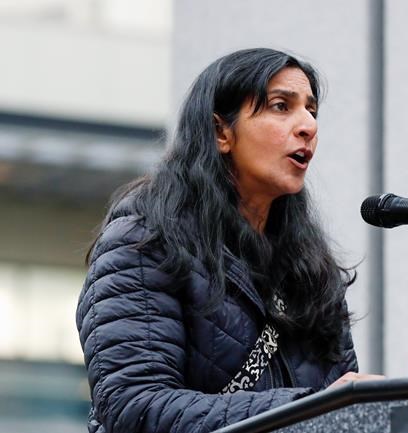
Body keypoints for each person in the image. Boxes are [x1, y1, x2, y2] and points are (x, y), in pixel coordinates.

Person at [76, 48, 380, 433]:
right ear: (222, 132)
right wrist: (310, 408)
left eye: (311, 110)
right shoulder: (143, 241)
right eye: (281, 106)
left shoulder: (311, 269)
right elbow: (134, 406)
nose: (308, 125)